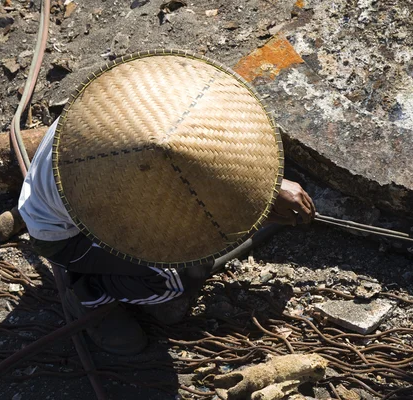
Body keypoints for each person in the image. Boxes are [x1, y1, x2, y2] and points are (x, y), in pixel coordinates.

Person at [17, 50, 316, 355]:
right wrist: (238, 217)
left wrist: (268, 185)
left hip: (89, 197)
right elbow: (169, 227)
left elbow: (208, 152)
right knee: (174, 279)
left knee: (196, 256)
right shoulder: (112, 184)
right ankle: (88, 294)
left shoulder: (155, 105)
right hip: (65, 235)